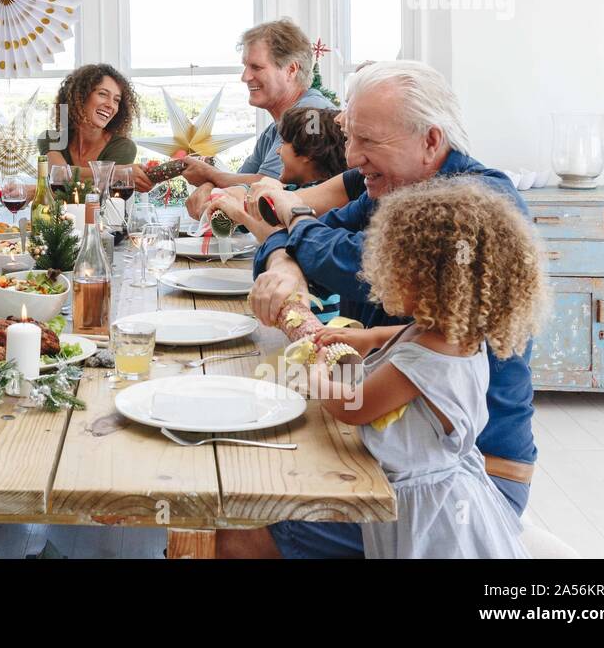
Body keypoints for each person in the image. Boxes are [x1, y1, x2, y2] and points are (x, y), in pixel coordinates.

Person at [217, 60, 538, 559]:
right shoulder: (390, 184)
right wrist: (290, 248)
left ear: (431, 140)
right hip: (397, 461)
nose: (351, 156)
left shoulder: (475, 207)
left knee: (238, 530)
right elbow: (311, 245)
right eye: (349, 137)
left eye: (367, 140)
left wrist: (291, 241)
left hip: (466, 484)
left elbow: (340, 260)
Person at [311, 179, 543, 558]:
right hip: (452, 486)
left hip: (428, 509)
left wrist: (317, 375)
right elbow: (403, 332)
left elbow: (351, 407)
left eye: (393, 266)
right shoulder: (453, 333)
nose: (383, 275)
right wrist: (366, 338)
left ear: (427, 278)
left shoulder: (423, 361)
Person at [181, 19, 336, 190]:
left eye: (256, 67)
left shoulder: (312, 114)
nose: (245, 77)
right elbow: (239, 183)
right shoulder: (271, 132)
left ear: (291, 70)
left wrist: (210, 175)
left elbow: (270, 186)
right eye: (246, 66)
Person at [187, 105, 349, 229]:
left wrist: (233, 204)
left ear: (309, 154)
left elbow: (260, 211)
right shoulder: (293, 188)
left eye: (284, 143)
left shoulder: (318, 203)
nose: (278, 151)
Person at [36, 63, 153, 190]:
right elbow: (59, 175)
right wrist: (114, 172)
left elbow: (98, 197)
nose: (111, 105)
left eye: (116, 100)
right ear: (80, 96)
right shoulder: (50, 138)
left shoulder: (123, 147)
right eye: (103, 94)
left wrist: (33, 190)